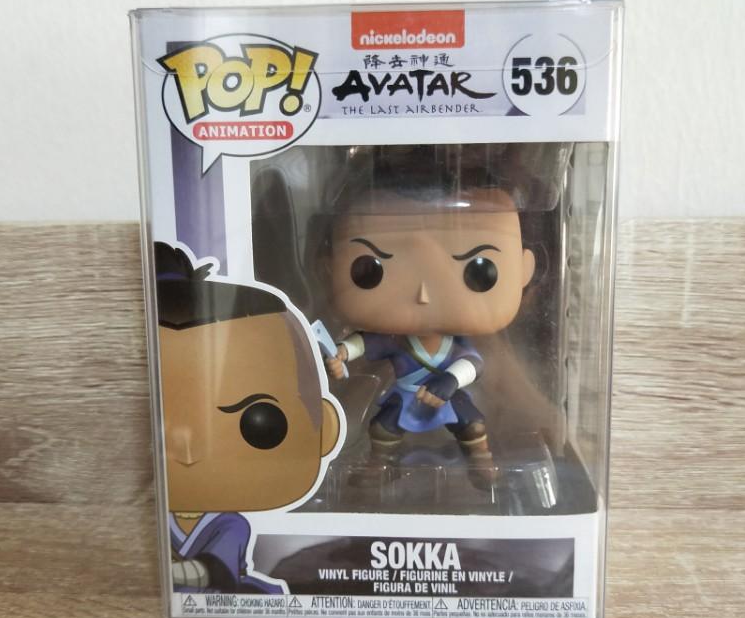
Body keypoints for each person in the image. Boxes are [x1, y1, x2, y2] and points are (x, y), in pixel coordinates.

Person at [323, 171, 534, 491]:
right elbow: (364, 342)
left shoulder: (455, 344)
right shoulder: (395, 339)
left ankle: (481, 461)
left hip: (446, 393)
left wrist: (449, 381)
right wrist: (341, 352)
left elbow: (472, 364)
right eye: (370, 271)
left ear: (524, 270)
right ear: (329, 268)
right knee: (383, 427)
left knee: (472, 423)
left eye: (480, 272)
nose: (423, 295)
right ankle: (379, 465)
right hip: (406, 393)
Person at [155, 242, 341, 592]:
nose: (187, 452)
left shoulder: (230, 525)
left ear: (325, 428)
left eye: (259, 425)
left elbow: (212, 570)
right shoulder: (147, 518)